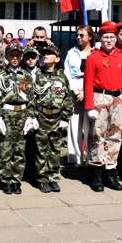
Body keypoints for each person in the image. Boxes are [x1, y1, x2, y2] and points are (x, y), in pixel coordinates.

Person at [83, 23, 122, 192]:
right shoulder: (93, 57)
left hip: (118, 98)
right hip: (100, 97)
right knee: (98, 134)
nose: (109, 40)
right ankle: (97, 173)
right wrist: (89, 106)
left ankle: (110, 171)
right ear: (100, 39)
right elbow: (88, 82)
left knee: (115, 136)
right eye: (106, 37)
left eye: (112, 37)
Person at [0, 43, 31, 194]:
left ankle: (16, 179)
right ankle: (6, 180)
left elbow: (31, 98)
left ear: (21, 57)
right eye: (11, 55)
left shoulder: (26, 75)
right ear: (7, 56)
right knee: (5, 149)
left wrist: (31, 117)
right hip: (6, 114)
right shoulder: (0, 74)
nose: (15, 58)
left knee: (19, 150)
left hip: (21, 114)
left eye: (17, 55)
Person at [33, 44, 71, 193]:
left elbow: (67, 99)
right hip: (41, 116)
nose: (45, 55)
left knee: (55, 149)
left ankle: (53, 177)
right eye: (44, 54)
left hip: (56, 117)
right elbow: (32, 97)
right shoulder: (38, 75)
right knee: (41, 149)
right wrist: (33, 116)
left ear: (58, 58)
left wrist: (65, 118)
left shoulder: (62, 77)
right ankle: (42, 178)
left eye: (49, 53)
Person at [64, 25, 94, 167]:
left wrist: (85, 91)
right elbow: (67, 73)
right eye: (77, 35)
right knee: (74, 123)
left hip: (90, 88)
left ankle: (90, 157)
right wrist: (75, 89)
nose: (78, 37)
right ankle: (75, 157)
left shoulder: (95, 52)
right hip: (74, 87)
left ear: (90, 37)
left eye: (82, 35)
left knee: (90, 124)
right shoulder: (72, 52)